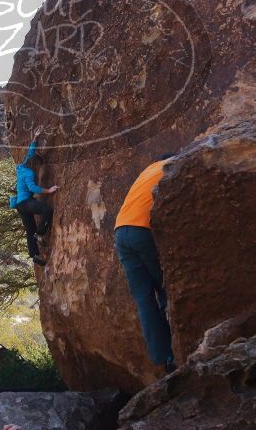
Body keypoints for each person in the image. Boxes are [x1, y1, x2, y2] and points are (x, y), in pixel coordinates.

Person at [114, 153, 177, 373]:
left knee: (143, 299)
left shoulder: (147, 170)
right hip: (143, 230)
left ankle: (163, 356)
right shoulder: (172, 166)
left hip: (121, 231)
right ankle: (178, 349)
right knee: (166, 288)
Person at [10, 126, 58, 266]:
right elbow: (32, 187)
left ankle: (35, 255)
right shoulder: (29, 173)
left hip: (20, 205)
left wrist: (35, 137)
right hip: (26, 203)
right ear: (35, 166)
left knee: (29, 230)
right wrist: (49, 191)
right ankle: (41, 232)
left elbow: (31, 152)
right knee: (47, 210)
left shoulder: (23, 166)